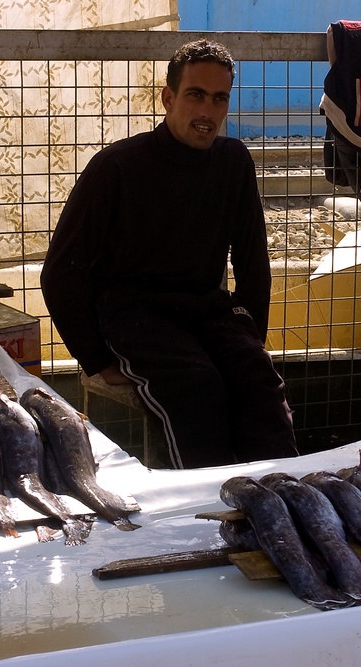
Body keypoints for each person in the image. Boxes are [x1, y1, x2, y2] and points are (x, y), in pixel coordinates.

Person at [41, 39, 299, 469]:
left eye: (219, 99)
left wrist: (251, 335)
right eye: (195, 95)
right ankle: (211, 506)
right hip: (135, 315)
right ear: (168, 97)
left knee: (257, 380)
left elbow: (253, 259)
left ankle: (285, 497)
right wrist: (96, 359)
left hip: (206, 310)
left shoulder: (233, 161)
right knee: (197, 387)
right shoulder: (117, 167)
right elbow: (61, 272)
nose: (207, 112)